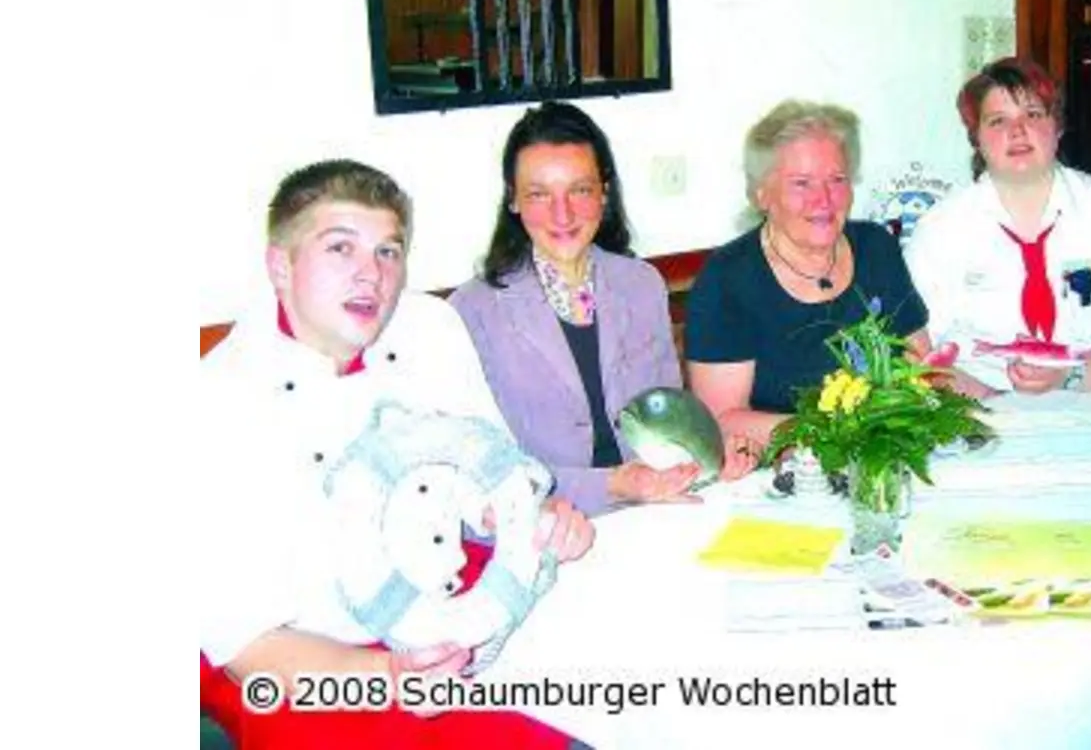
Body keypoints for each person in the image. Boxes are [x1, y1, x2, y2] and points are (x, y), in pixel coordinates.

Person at [198, 159, 594, 750]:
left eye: (389, 251)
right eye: (340, 249)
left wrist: (537, 524)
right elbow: (248, 649)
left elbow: (489, 483)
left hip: (441, 623)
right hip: (303, 667)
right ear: (280, 266)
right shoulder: (214, 400)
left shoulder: (430, 329)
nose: (372, 276)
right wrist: (391, 677)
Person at [450, 101, 758, 515]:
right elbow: (485, 468)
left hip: (654, 512)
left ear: (604, 193)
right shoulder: (472, 312)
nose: (563, 214)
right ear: (514, 200)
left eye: (580, 190)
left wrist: (709, 457)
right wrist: (614, 484)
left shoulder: (642, 285)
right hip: (547, 524)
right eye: (539, 194)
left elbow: (666, 422)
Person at [904, 56, 1091, 396]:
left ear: (1057, 127)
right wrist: (992, 402)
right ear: (977, 140)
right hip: (975, 409)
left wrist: (1068, 378)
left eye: (1032, 114)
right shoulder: (941, 228)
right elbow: (917, 356)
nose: (1017, 131)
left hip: (1088, 405)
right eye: (998, 121)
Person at [684, 99, 937, 451]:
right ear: (762, 194)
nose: (824, 199)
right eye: (801, 183)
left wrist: (1000, 403)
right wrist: (837, 433)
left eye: (836, 180)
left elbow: (921, 369)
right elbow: (723, 419)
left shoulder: (876, 248)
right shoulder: (727, 280)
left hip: (887, 453)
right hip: (780, 470)